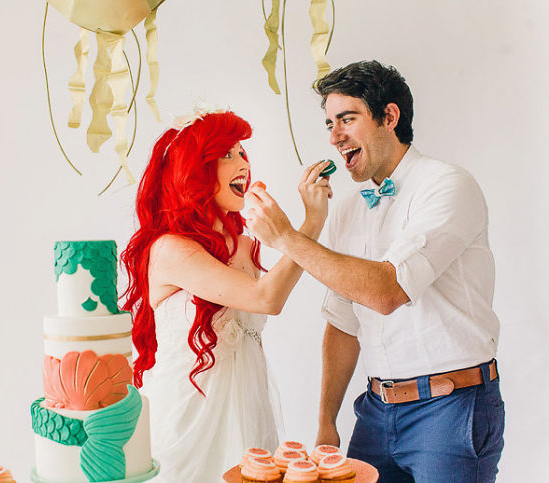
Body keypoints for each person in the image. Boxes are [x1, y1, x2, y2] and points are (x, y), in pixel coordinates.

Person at [245, 60, 504, 482]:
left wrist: (288, 238)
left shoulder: (448, 185)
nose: (334, 136)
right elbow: (344, 324)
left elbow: (388, 292)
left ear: (389, 116)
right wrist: (327, 421)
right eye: (329, 123)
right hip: (375, 411)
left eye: (347, 119)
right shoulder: (347, 209)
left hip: (451, 407)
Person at [120, 108, 333, 482]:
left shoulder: (247, 245)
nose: (243, 164)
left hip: (247, 408)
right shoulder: (170, 248)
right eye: (227, 154)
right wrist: (308, 225)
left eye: (242, 153)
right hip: (189, 414)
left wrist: (291, 235)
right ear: (194, 170)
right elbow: (267, 298)